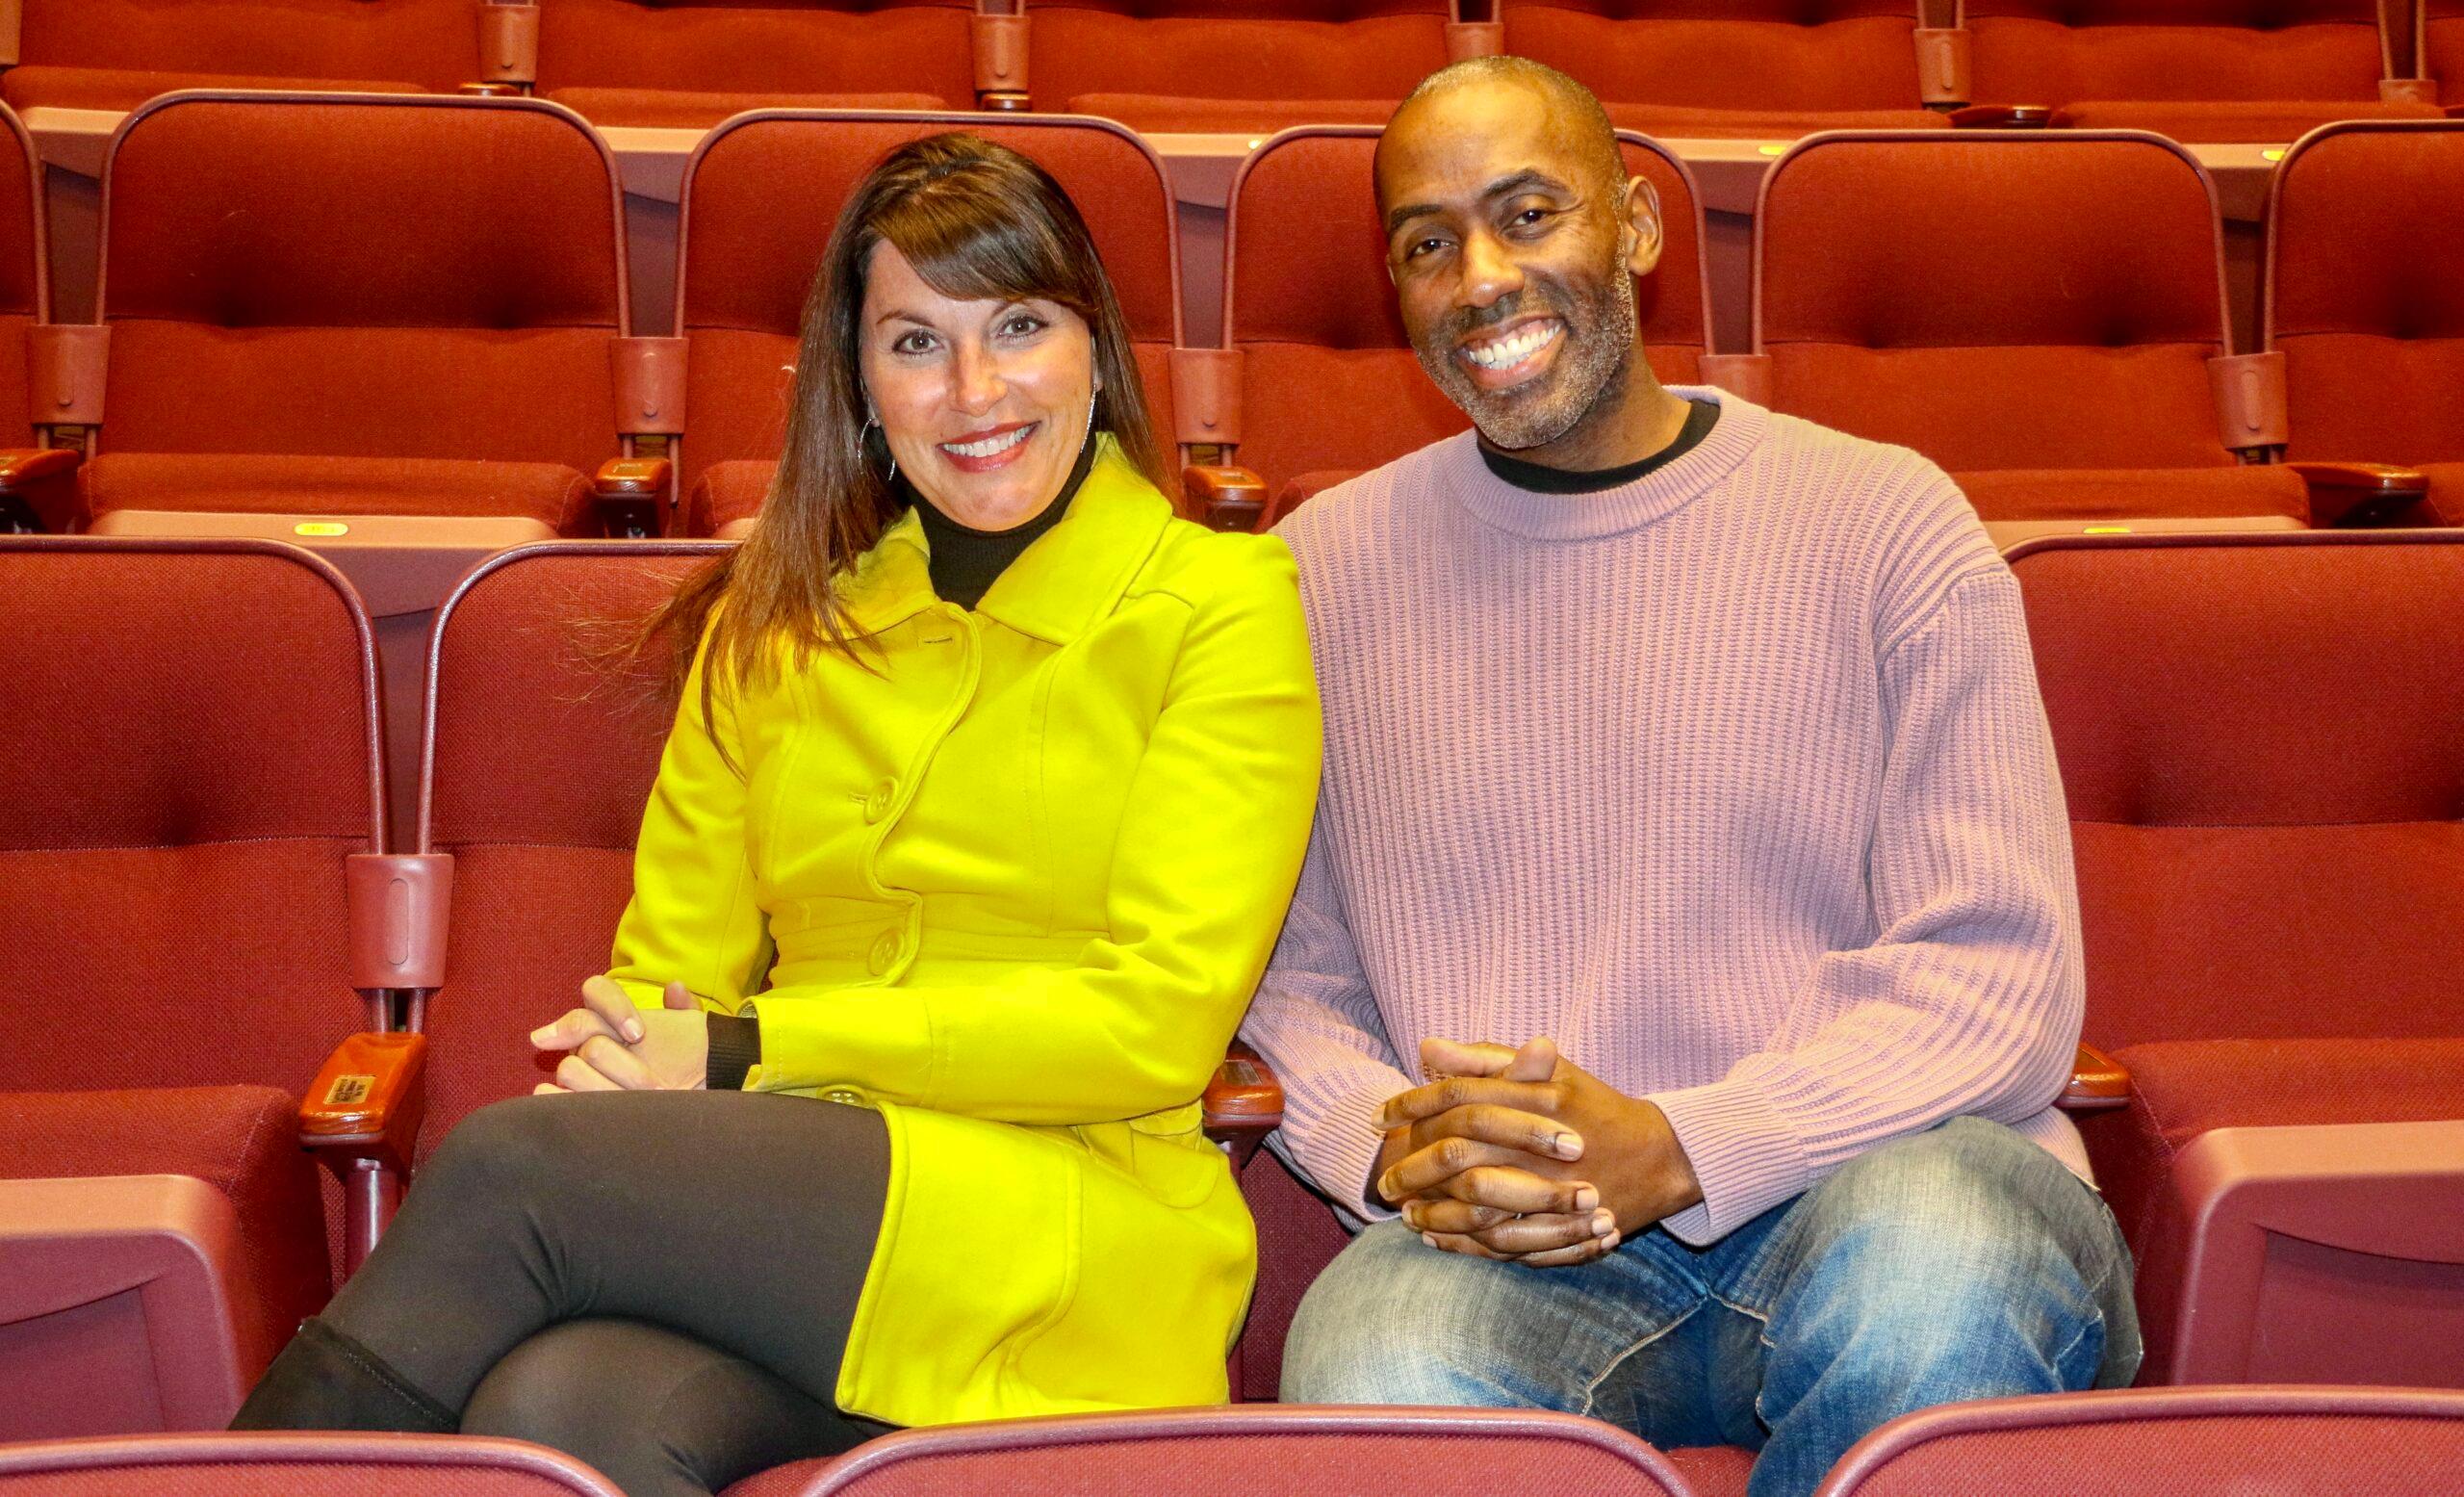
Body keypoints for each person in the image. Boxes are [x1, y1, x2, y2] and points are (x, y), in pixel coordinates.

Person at [232, 133, 1322, 1497]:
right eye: (916, 344)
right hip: (796, 1236)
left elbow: (1151, 1028)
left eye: (1020, 328)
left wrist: (748, 1049)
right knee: (561, 1402)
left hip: (1069, 1229)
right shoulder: (779, 625)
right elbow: (667, 974)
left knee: (515, 1170)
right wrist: (653, 1048)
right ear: (860, 387)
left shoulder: (1223, 608)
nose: (975, 390)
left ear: (1096, 350)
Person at [1238, 58, 2139, 1497]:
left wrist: (1683, 1146)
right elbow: (1284, 975)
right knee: (1378, 1366)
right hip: (1518, 1251)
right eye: (1426, 244)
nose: (1480, 279)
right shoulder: (1315, 579)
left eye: (1528, 213)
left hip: (1881, 1179)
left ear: (1640, 225)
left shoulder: (1885, 519)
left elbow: (1999, 975)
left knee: (1941, 1282)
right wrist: (1392, 1152)